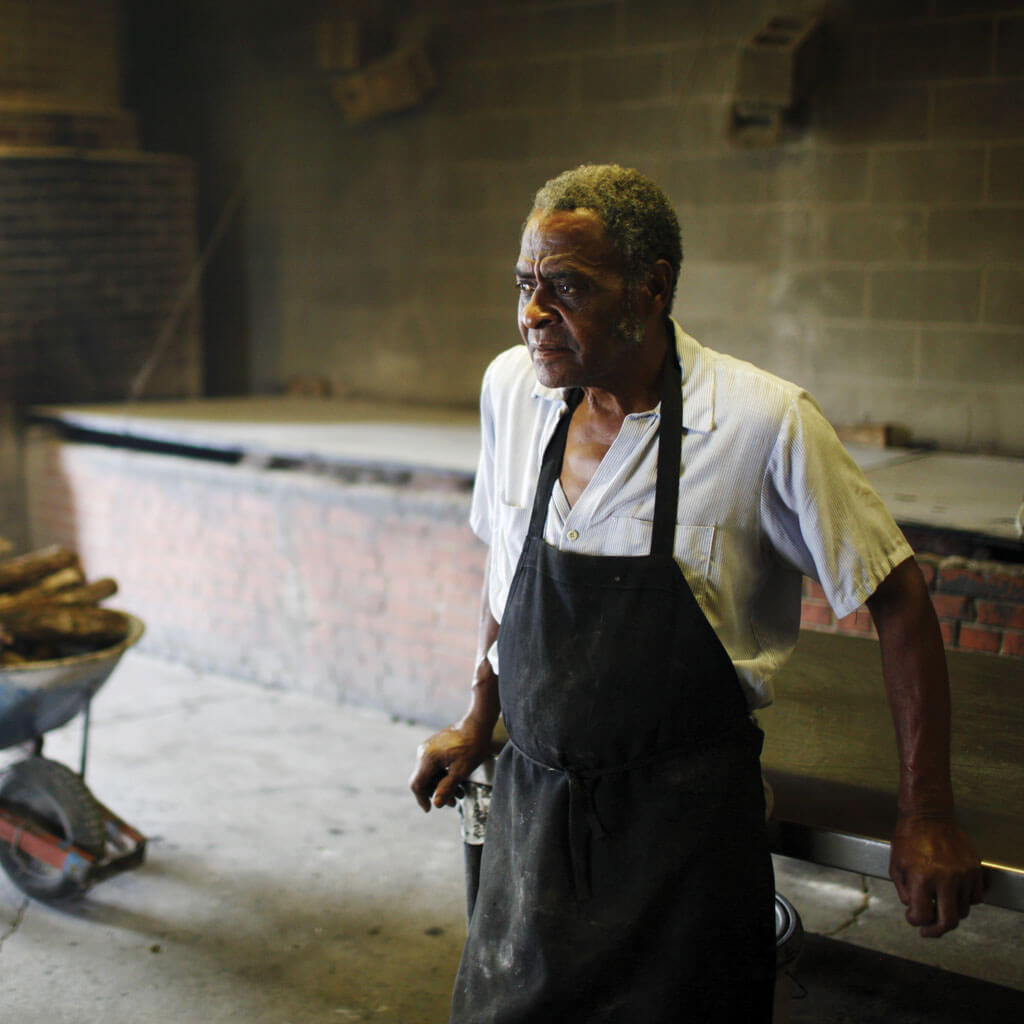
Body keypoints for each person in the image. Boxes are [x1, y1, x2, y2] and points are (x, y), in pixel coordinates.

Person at [409, 164, 982, 1023]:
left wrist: (926, 812)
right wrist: (478, 712)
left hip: (685, 842)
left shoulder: (760, 422)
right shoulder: (514, 391)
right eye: (526, 284)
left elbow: (897, 597)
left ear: (652, 287)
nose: (533, 313)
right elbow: (507, 567)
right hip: (535, 817)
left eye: (568, 287)